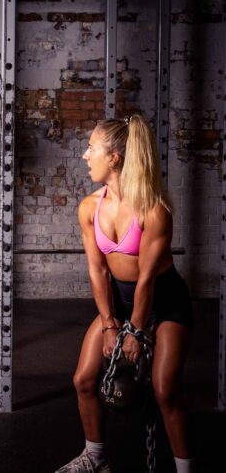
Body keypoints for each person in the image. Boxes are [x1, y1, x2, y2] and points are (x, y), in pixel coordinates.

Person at [56, 115, 194, 473]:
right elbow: (98, 270)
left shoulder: (153, 210)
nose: (86, 156)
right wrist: (109, 324)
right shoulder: (89, 207)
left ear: (114, 158)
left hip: (165, 303)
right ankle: (96, 458)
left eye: (92, 149)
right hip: (118, 301)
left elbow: (147, 281)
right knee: (84, 380)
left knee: (165, 391)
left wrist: (134, 330)